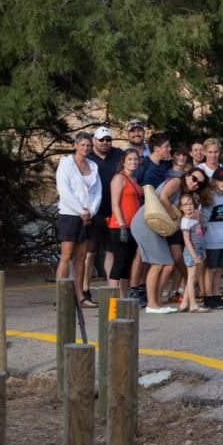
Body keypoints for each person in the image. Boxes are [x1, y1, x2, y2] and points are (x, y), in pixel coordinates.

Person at [130, 166, 208, 313]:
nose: (195, 184)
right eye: (194, 179)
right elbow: (163, 198)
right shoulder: (177, 181)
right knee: (159, 264)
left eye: (199, 184)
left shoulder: (185, 193)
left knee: (167, 264)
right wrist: (176, 216)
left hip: (156, 225)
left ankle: (157, 302)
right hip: (146, 221)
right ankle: (152, 304)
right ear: (187, 175)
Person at [56, 132, 103, 308]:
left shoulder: (93, 166)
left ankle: (80, 296)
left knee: (81, 257)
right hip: (70, 214)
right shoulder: (66, 163)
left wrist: (90, 211)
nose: (86, 148)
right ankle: (62, 297)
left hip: (88, 215)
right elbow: (64, 190)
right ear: (76, 145)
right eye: (82, 145)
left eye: (88, 145)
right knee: (66, 256)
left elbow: (98, 191)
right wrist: (79, 210)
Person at [84, 126, 124, 301]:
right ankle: (84, 289)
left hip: (114, 211)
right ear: (94, 141)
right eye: (101, 140)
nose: (105, 143)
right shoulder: (87, 157)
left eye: (108, 139)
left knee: (111, 252)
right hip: (95, 211)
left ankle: (112, 290)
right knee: (90, 252)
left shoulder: (118, 155)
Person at [105, 148, 141, 299]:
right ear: (123, 162)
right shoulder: (119, 178)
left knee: (127, 263)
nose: (133, 162)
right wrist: (121, 226)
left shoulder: (134, 180)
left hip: (133, 226)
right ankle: (112, 299)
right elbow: (115, 204)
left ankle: (123, 298)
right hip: (120, 226)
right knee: (118, 263)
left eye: (135, 159)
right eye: (130, 159)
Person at [201, 168, 223, 309]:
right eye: (220, 180)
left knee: (219, 269)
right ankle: (208, 296)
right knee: (211, 269)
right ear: (214, 181)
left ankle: (216, 293)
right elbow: (205, 218)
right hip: (211, 239)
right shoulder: (210, 197)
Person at [178, 193, 210, 313]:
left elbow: (200, 233)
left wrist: (199, 218)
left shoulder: (194, 218)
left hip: (199, 249)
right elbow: (187, 241)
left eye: (190, 204)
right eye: (185, 205)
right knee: (191, 278)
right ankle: (193, 305)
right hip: (192, 252)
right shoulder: (185, 221)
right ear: (181, 208)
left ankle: (184, 304)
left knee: (194, 277)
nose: (189, 207)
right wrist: (194, 256)